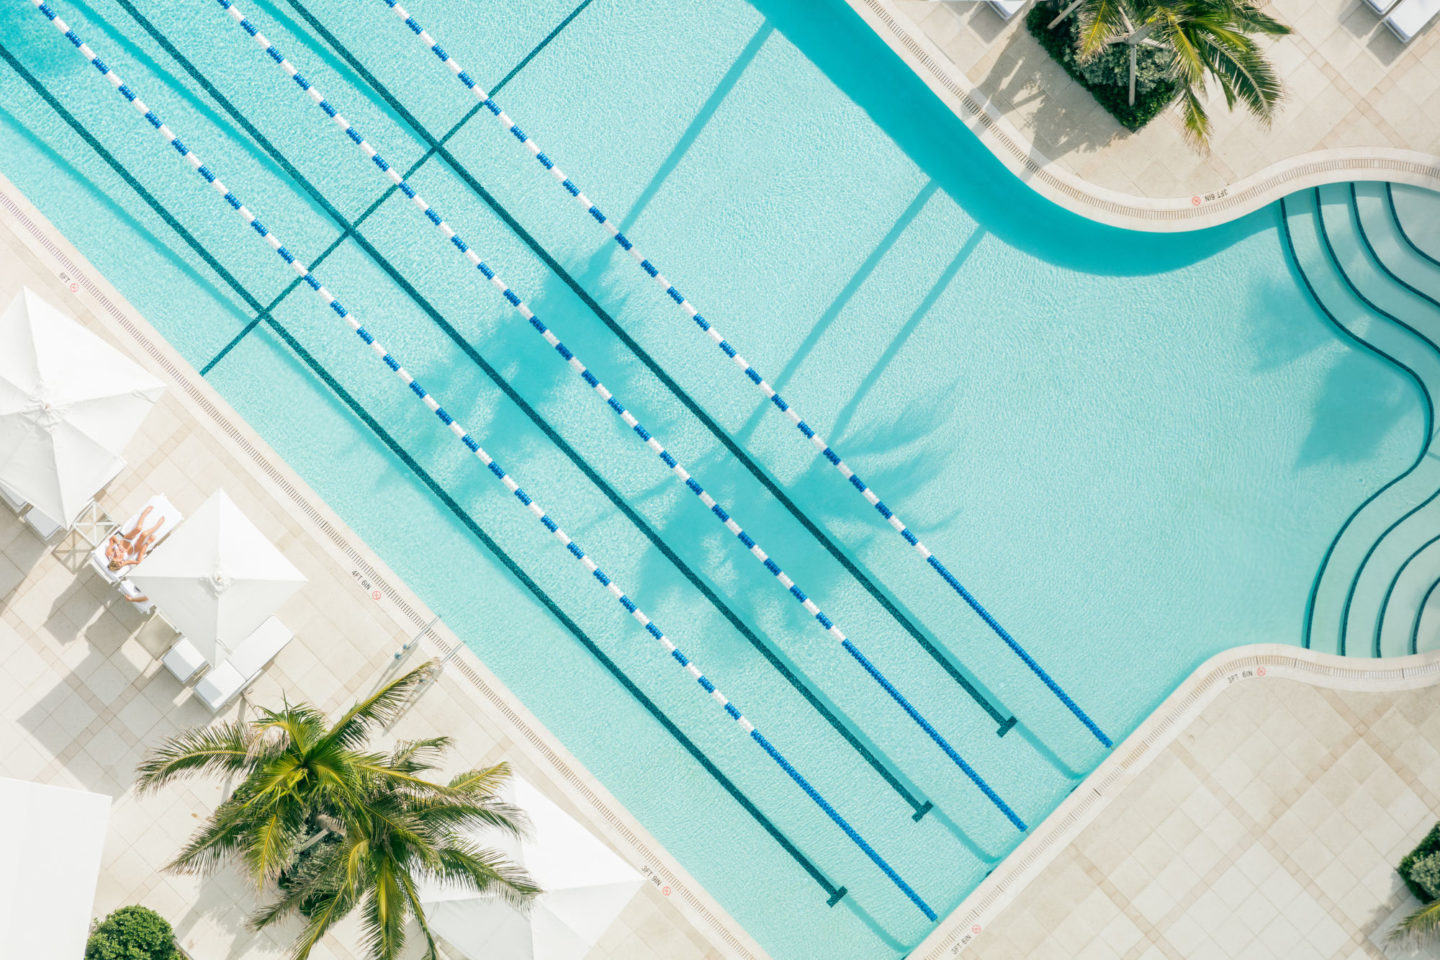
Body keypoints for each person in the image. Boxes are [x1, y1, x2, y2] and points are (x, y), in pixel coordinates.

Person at [105, 505, 164, 575]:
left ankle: (144, 514)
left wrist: (118, 545)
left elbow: (112, 538)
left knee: (138, 528)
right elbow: (138, 561)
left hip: (126, 541)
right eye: (121, 563)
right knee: (144, 534)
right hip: (133, 549)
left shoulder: (109, 553)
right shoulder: (122, 564)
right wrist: (148, 543)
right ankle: (157, 526)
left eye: (117, 559)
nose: (121, 560)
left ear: (112, 560)